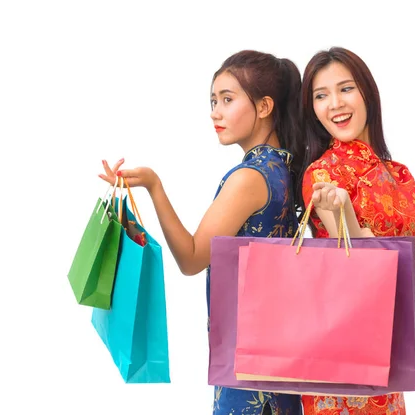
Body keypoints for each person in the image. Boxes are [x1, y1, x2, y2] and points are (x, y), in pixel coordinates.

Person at [99, 50, 304, 415]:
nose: (215, 112)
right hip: (278, 360)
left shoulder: (249, 178)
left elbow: (192, 258)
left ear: (264, 106)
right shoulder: (285, 170)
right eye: (213, 100)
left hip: (249, 374)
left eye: (227, 99)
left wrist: (154, 185)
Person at [299, 46, 415, 415]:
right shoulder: (321, 175)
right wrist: (348, 214)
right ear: (312, 109)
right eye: (321, 95)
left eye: (345, 89)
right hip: (339, 340)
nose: (335, 103)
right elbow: (355, 259)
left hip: (389, 339)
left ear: (367, 92)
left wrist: (375, 246)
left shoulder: (399, 173)